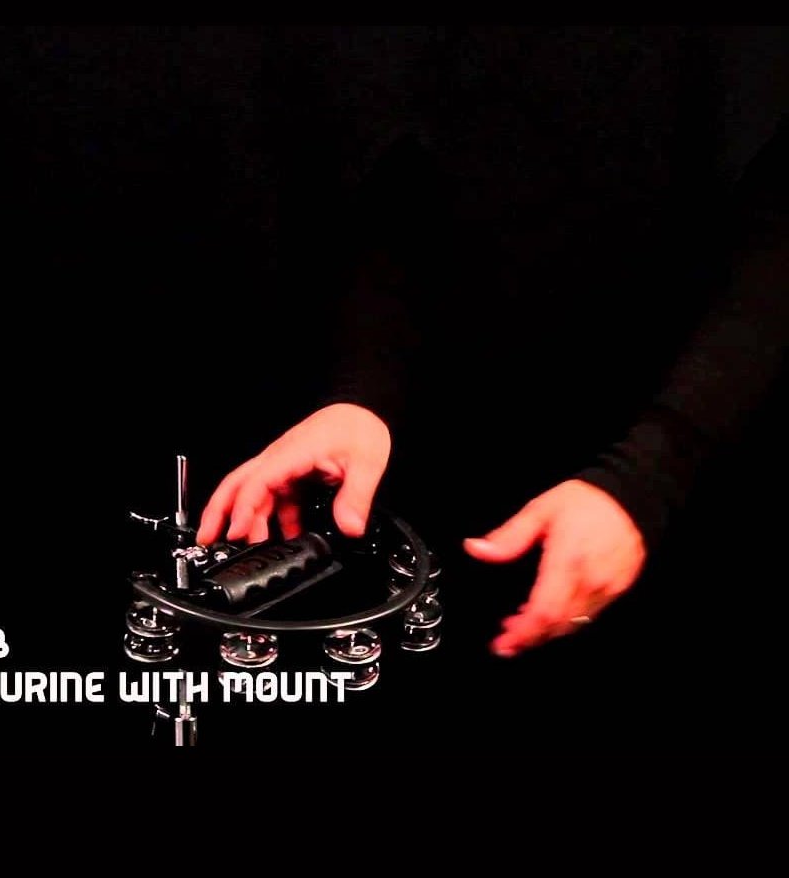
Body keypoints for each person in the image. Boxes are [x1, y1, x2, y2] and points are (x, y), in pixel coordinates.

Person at [196, 51, 788, 660]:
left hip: (679, 473)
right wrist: (361, 397)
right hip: (435, 471)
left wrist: (647, 477)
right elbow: (407, 167)